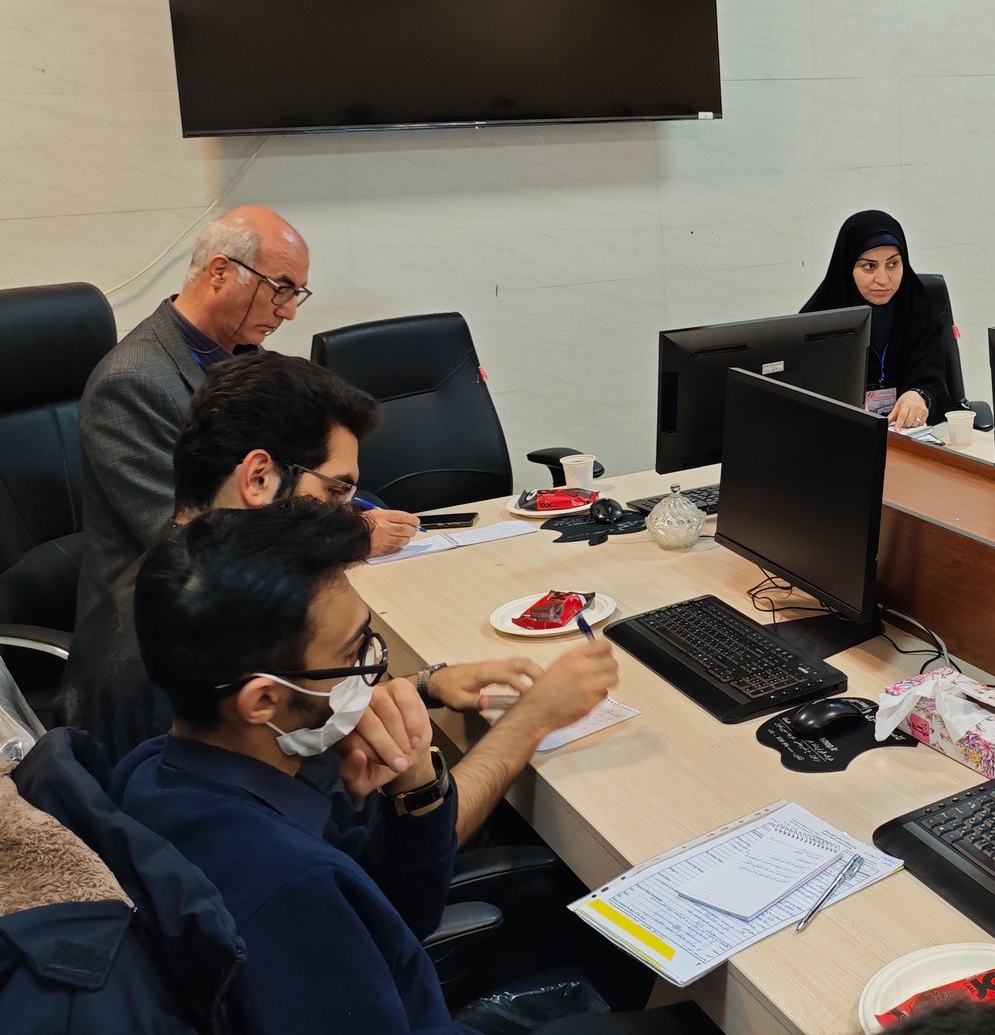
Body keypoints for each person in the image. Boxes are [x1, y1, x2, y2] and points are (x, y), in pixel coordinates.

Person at [114, 499, 627, 1035]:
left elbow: (395, 913)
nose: (372, 668)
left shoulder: (151, 769)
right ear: (262, 701)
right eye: (353, 651)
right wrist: (530, 720)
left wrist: (414, 784)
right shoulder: (292, 885)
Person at [67, 351, 616, 841]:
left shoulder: (169, 589)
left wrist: (423, 686)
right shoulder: (201, 660)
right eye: (334, 491)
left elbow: (299, 709)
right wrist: (532, 720)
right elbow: (396, 862)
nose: (350, 515)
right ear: (258, 479)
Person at [75, 205, 418, 621]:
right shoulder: (130, 382)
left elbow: (284, 485)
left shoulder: (245, 355)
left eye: (296, 293)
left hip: (254, 587)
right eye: (281, 288)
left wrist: (343, 507)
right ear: (220, 272)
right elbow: (185, 539)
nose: (289, 311)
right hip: (162, 619)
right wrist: (347, 537)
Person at [801, 209, 951, 430]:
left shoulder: (919, 311)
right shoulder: (816, 324)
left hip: (907, 435)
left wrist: (920, 396)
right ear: (847, 267)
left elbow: (935, 385)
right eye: (869, 266)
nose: (883, 279)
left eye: (893, 264)